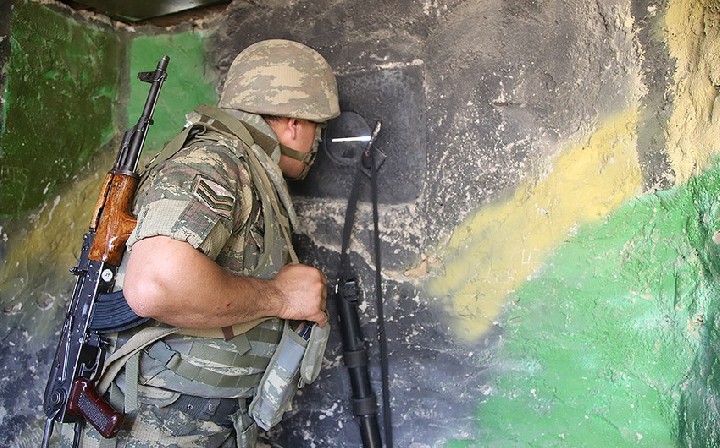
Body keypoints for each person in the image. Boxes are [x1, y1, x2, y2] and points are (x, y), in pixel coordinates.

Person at [78, 39, 340, 447]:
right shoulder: (216, 161)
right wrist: (280, 297)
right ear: (294, 122)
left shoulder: (242, 166)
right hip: (153, 431)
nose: (315, 142)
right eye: (317, 128)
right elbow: (156, 284)